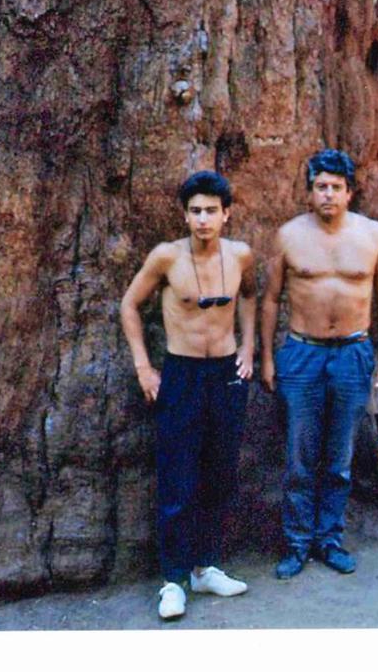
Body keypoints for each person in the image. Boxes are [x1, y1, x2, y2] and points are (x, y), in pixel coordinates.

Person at [120, 170, 257, 620]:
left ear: (226, 214)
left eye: (211, 211)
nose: (203, 220)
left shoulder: (240, 256)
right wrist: (144, 365)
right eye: (195, 211)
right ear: (185, 215)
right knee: (177, 478)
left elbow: (252, 297)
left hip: (226, 373)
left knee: (219, 473)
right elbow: (129, 306)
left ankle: (205, 566)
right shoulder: (166, 258)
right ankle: (173, 580)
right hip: (181, 374)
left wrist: (250, 346)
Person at [259, 148, 378, 579]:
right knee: (300, 457)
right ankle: (297, 543)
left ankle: (329, 539)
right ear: (309, 193)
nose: (328, 195)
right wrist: (267, 357)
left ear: (349, 192)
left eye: (336, 188)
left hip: (354, 353)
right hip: (302, 353)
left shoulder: (373, 235)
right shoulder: (289, 236)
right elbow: (269, 301)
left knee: (339, 456)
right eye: (320, 187)